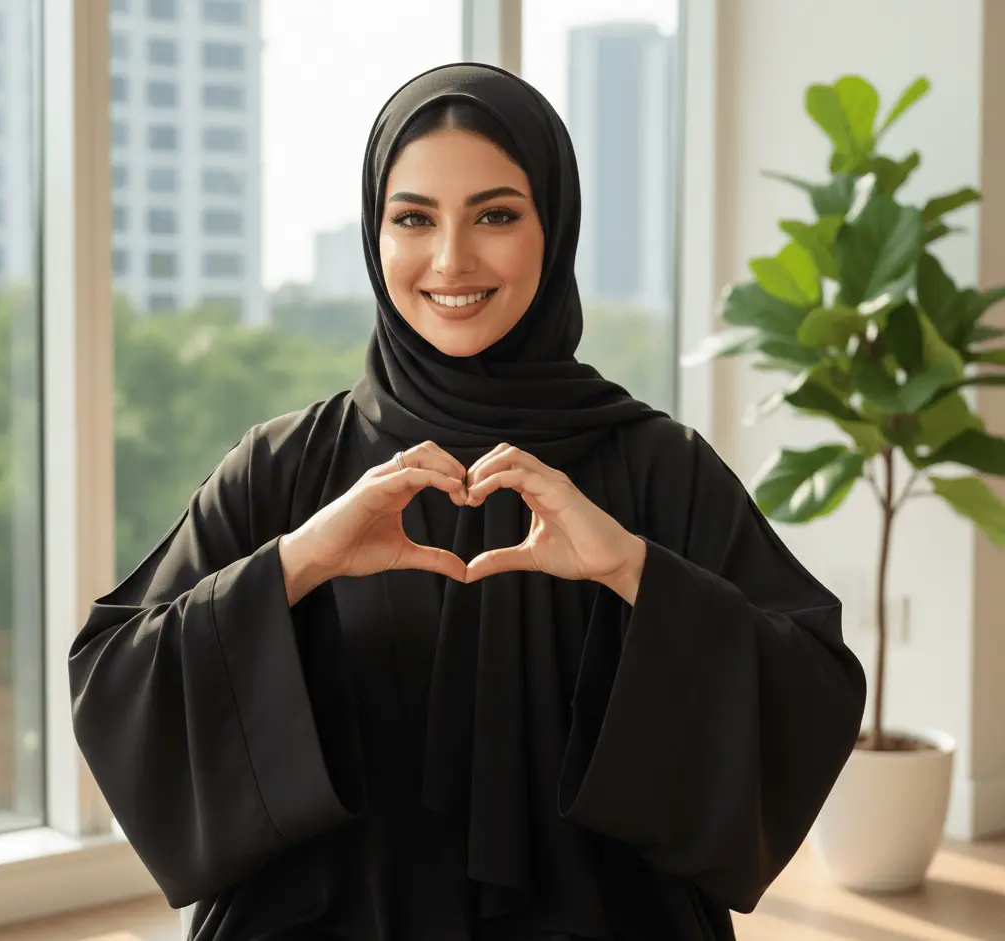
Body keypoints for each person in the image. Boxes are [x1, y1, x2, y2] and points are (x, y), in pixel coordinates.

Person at [68, 63, 866, 941]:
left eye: (495, 215)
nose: (451, 260)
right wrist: (300, 563)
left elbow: (812, 686)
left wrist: (632, 569)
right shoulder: (285, 466)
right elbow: (115, 678)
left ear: (552, 228)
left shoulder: (658, 466)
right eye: (413, 218)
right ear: (377, 234)